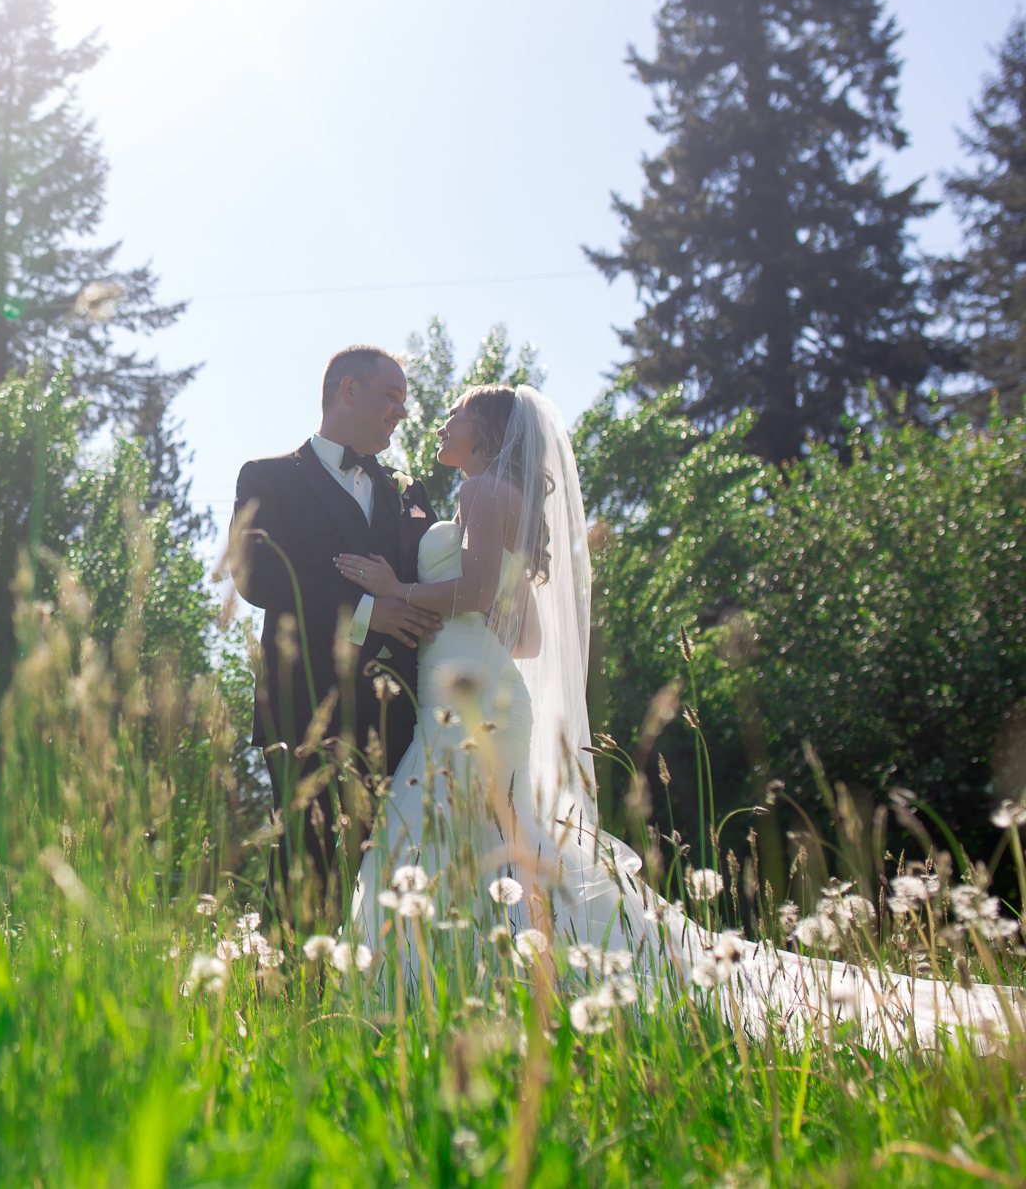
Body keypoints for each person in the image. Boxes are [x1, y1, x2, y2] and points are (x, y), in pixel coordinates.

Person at [336, 383, 1013, 1048]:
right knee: (486, 840)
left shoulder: (481, 491)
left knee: (440, 833)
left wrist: (400, 592)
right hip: (489, 693)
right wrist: (444, 621)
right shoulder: (510, 502)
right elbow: (527, 639)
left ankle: (454, 998)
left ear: (484, 429)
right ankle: (514, 985)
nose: (443, 419)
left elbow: (478, 590)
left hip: (467, 704)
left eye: (456, 412)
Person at [232, 346, 442, 919]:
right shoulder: (268, 477)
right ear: (348, 390)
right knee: (308, 877)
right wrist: (367, 610)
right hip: (303, 711)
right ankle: (292, 1002)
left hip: (402, 720)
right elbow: (254, 575)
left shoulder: (409, 490)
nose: (402, 411)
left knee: (398, 886)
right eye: (391, 397)